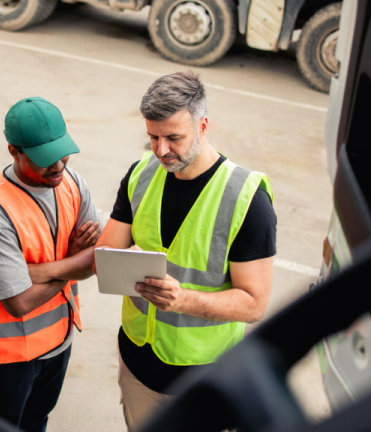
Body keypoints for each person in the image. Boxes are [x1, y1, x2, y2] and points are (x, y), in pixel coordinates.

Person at [95, 72, 277, 431]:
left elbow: (254, 304)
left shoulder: (246, 199)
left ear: (203, 124)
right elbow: (106, 253)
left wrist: (182, 300)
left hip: (204, 381)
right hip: (137, 369)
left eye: (173, 137)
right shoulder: (140, 175)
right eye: (153, 137)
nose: (161, 150)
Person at [0, 97, 102, 432]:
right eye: (43, 159)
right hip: (7, 357)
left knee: (36, 422)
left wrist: (39, 270)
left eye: (62, 153)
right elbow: (18, 302)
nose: (57, 166)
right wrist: (71, 260)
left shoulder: (72, 183)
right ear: (14, 151)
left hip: (59, 342)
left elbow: (97, 257)